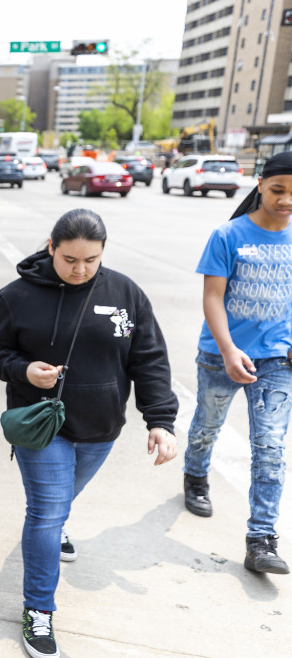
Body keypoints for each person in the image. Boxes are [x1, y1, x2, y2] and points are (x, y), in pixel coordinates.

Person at [0, 208, 178, 658]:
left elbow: (148, 359)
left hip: (101, 427)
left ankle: (58, 527)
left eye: (91, 260)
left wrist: (160, 420)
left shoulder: (126, 293)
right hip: (41, 423)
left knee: (62, 500)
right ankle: (39, 611)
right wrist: (24, 370)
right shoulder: (18, 295)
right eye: (70, 259)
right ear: (51, 248)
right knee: (47, 512)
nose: (80, 269)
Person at [182, 150, 292, 575]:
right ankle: (195, 475)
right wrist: (228, 350)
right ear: (260, 184)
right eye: (277, 190)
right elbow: (212, 297)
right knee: (208, 425)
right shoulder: (228, 236)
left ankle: (261, 539)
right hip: (220, 354)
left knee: (271, 449)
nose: (285, 200)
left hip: (277, 361)